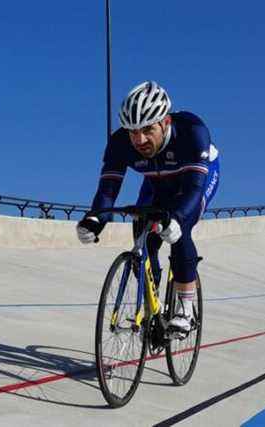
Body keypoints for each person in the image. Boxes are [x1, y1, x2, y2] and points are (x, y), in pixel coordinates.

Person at [76, 81, 220, 332]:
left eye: (147, 129)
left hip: (195, 181)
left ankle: (185, 310)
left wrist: (176, 218)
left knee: (179, 230)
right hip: (157, 183)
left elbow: (194, 190)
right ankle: (154, 304)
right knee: (142, 236)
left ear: (165, 123)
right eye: (132, 131)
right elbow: (108, 189)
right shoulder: (120, 143)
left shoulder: (191, 132)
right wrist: (95, 219)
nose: (139, 139)